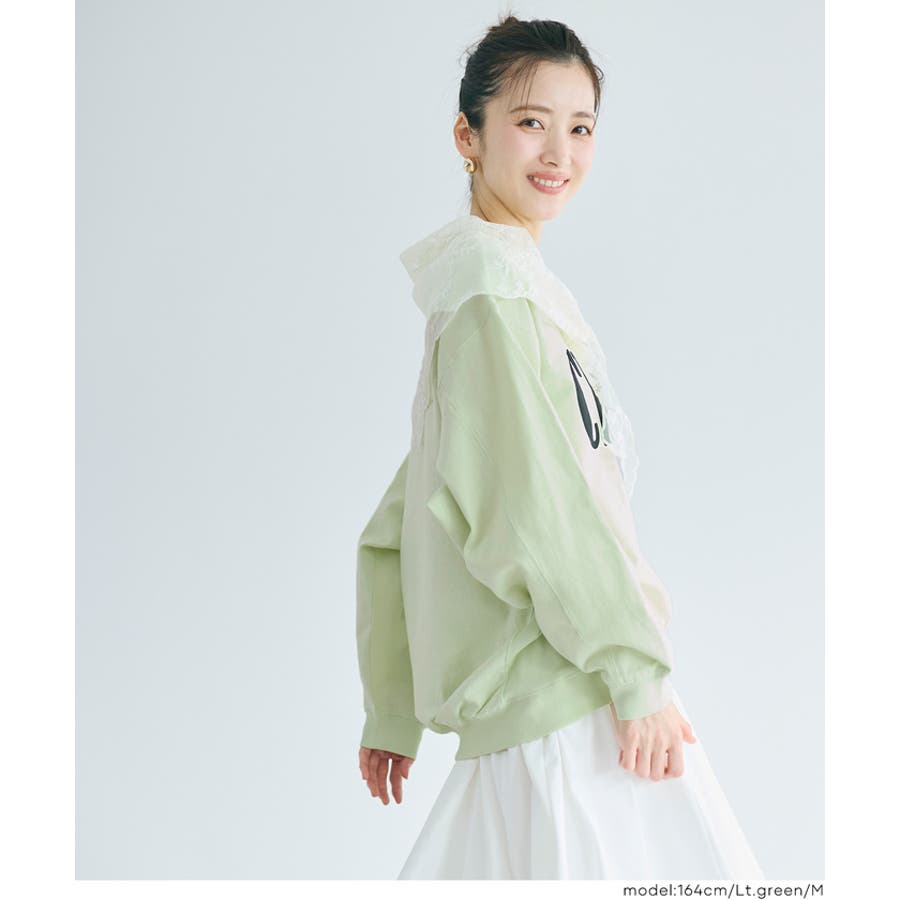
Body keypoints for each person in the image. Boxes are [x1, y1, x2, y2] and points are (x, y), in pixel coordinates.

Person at [355, 14, 766, 881]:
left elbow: (402, 520)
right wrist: (634, 672)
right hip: (571, 720)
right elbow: (542, 510)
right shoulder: (495, 301)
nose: (559, 152)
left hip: (534, 721)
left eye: (581, 127)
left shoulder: (484, 294)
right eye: (531, 121)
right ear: (467, 136)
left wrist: (393, 706)